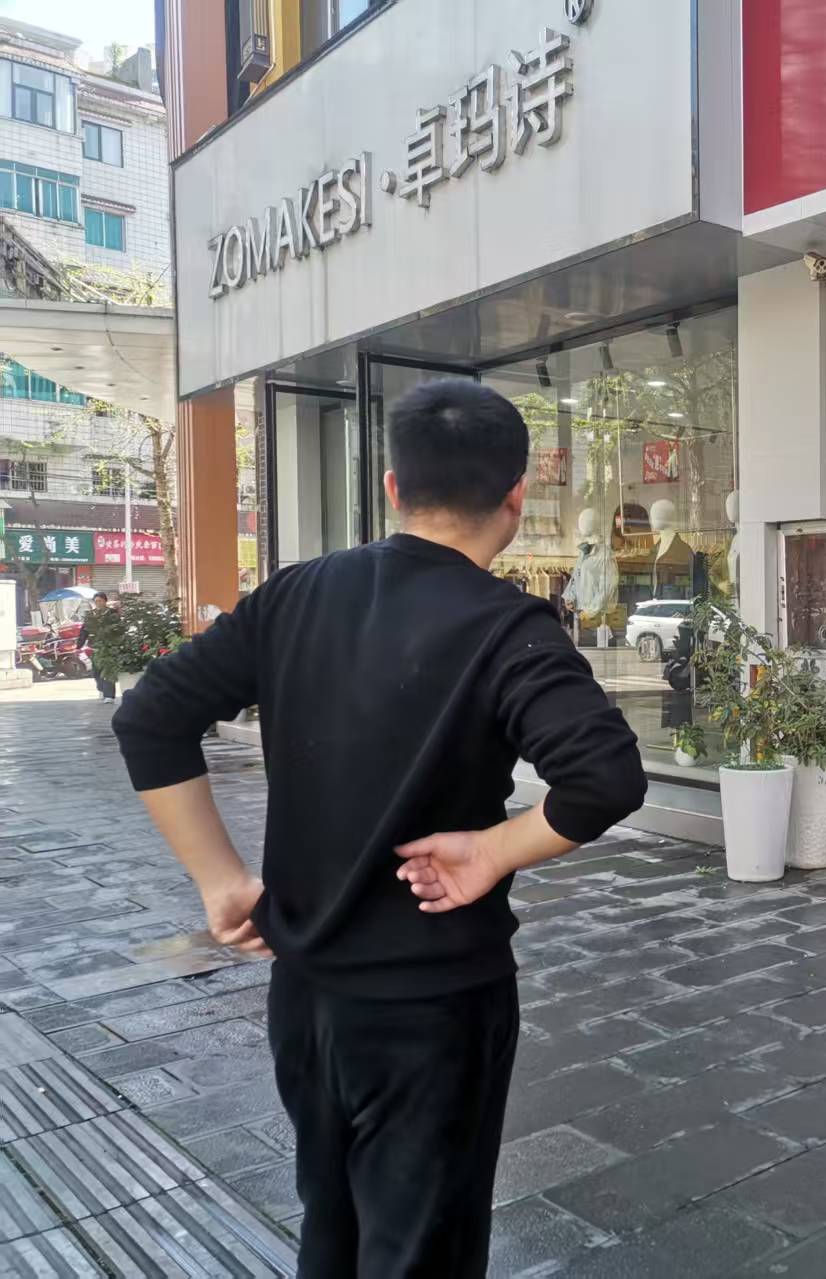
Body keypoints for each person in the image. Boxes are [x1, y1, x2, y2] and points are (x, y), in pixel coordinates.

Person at [111, 379, 647, 1277]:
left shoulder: (295, 593)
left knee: (332, 1230)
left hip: (305, 999)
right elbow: (605, 775)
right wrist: (493, 849)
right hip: (433, 1006)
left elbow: (150, 718)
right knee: (419, 1251)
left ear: (394, 487)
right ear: (517, 495)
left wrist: (220, 880)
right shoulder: (509, 626)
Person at [87, 591, 117, 703]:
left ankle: (109, 696)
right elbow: (85, 629)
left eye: (100, 601)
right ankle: (102, 689)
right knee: (96, 672)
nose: (98, 603)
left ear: (105, 601)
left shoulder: (112, 613)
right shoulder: (91, 614)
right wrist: (79, 644)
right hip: (95, 646)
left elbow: (118, 628)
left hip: (109, 646)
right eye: (96, 601)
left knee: (108, 670)